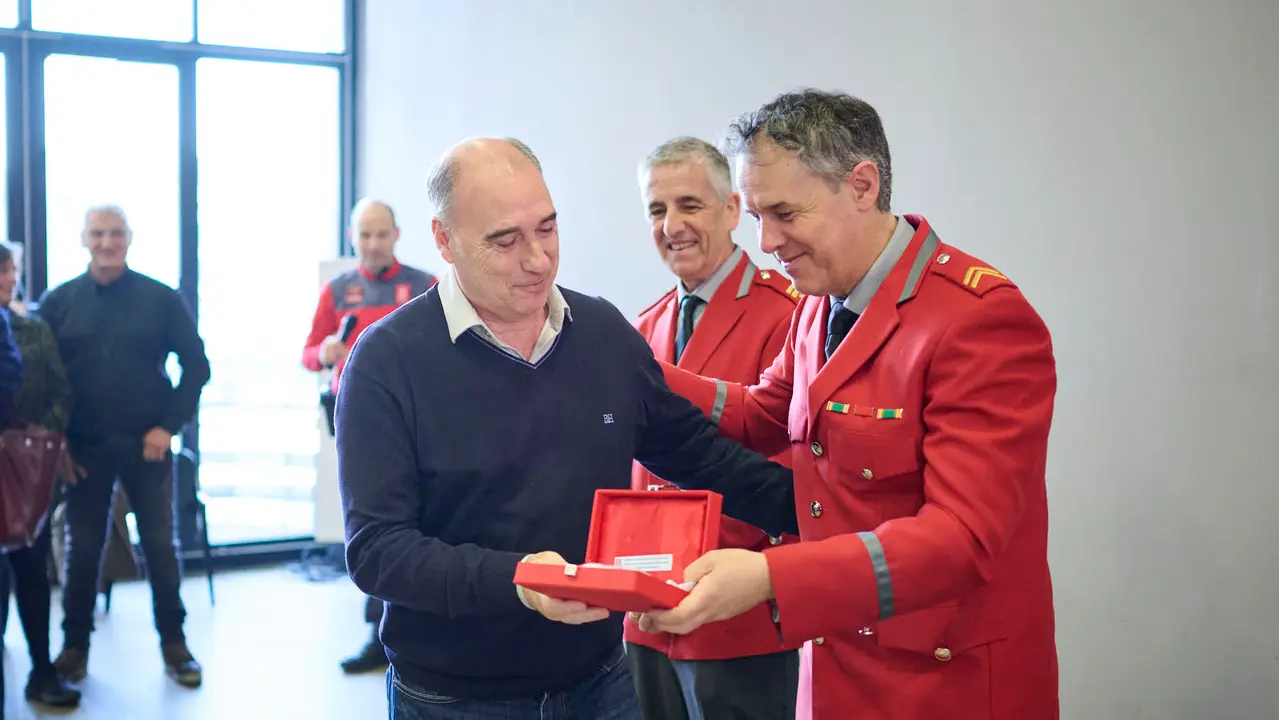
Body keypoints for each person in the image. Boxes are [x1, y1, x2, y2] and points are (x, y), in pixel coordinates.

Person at [336, 137, 798, 720]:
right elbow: (379, 552)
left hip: (600, 681)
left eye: (547, 229)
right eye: (505, 241)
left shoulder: (602, 333)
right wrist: (519, 580)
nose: (537, 260)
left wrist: (834, 516)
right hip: (456, 697)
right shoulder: (387, 361)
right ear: (444, 240)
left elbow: (701, 456)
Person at [636, 89, 1060, 719]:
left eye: (784, 213)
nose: (767, 241)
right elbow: (761, 413)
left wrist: (772, 578)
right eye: (757, 217)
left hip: (943, 682)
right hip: (837, 664)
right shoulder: (819, 302)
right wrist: (635, 368)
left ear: (862, 186)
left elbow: (962, 539)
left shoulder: (979, 320)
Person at [624, 137, 803, 720]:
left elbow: (796, 475)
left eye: (689, 205)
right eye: (657, 209)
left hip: (738, 618)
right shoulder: (642, 327)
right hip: (646, 618)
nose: (671, 225)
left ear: (731, 209)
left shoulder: (789, 314)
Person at [38, 205, 212, 688]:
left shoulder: (161, 299)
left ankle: (175, 645)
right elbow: (44, 380)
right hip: (83, 451)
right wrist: (57, 444)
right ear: (83, 238)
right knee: (82, 550)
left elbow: (197, 367)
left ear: (130, 238)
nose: (107, 242)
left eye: (116, 233)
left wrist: (168, 428)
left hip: (147, 445)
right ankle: (74, 649)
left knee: (159, 547)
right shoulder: (58, 302)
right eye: (98, 233)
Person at [301, 197, 437, 674]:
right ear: (352, 238)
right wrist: (324, 352)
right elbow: (309, 353)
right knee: (373, 522)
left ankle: (409, 624)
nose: (374, 243)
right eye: (365, 235)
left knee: (418, 520)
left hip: (417, 417)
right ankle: (377, 634)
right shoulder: (337, 290)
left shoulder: (424, 285)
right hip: (356, 417)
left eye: (382, 234)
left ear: (397, 235)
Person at [0, 242, 80, 709]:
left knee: (32, 568)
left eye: (11, 270)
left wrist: (36, 440)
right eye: (2, 271)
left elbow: (59, 392)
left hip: (22, 470)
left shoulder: (32, 329)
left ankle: (42, 671)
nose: (9, 279)